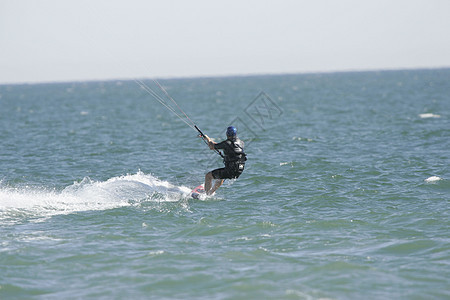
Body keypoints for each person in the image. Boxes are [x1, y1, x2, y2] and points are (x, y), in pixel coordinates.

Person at [203, 126, 247, 195]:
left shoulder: (226, 143)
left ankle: (206, 195)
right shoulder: (241, 143)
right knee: (221, 177)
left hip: (231, 170)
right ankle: (211, 192)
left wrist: (207, 138)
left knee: (208, 176)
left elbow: (212, 146)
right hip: (239, 170)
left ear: (227, 134)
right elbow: (220, 145)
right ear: (235, 134)